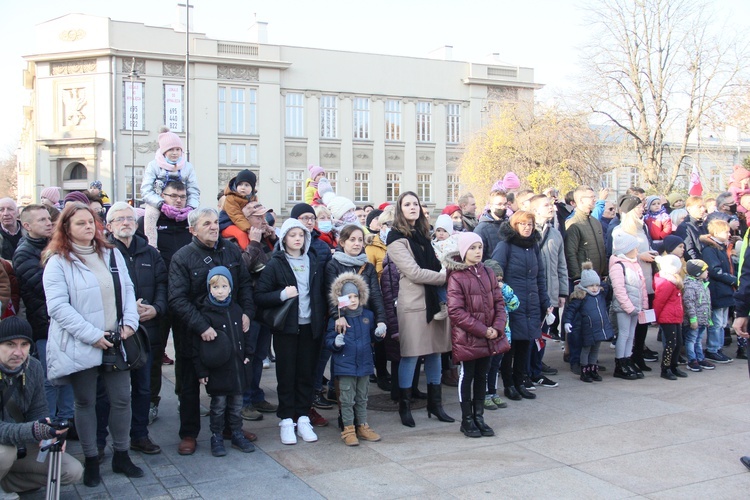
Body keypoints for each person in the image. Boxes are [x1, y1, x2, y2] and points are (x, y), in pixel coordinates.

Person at [43, 202, 142, 486]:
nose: (88, 227)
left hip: (116, 340)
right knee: (85, 401)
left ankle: (121, 454)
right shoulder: (57, 261)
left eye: (91, 222)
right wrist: (91, 335)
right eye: (80, 223)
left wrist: (129, 324)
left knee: (122, 399)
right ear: (66, 228)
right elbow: (58, 308)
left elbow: (127, 290)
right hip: (83, 342)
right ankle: (91, 460)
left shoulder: (110, 254)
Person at [168, 208, 254, 456]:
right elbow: (177, 298)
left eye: (216, 222)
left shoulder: (230, 249)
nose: (214, 227)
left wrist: (247, 312)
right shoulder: (182, 257)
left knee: (231, 381)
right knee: (189, 385)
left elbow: (245, 285)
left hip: (230, 329)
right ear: (193, 229)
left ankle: (231, 429)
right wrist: (201, 326)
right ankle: (189, 433)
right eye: (207, 223)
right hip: (193, 332)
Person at [100, 202, 167, 456]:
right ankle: (102, 439)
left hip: (145, 330)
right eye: (119, 219)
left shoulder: (150, 253)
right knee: (109, 390)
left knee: (143, 386)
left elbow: (163, 283)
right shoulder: (101, 252)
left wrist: (156, 308)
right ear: (109, 226)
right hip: (115, 330)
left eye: (130, 218)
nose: (126, 223)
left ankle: (139, 434)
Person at [254, 219, 325, 445]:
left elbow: (321, 291)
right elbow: (260, 296)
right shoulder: (276, 263)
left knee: (306, 373)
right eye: (292, 234)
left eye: (301, 235)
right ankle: (286, 419)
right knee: (286, 375)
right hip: (286, 328)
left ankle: (303, 417)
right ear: (283, 238)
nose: (297, 238)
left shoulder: (313, 260)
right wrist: (282, 295)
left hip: (309, 327)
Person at [386, 191, 454, 427]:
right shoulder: (395, 239)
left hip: (434, 302)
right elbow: (413, 273)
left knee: (435, 351)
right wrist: (443, 277)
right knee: (411, 355)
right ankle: (404, 407)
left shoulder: (424, 236)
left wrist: (444, 270)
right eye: (407, 204)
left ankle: (436, 405)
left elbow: (437, 263)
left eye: (415, 203)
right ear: (400, 209)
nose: (413, 207)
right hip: (414, 304)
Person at [0, 317, 82, 496]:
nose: (18, 352)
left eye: (24, 345)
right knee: (4, 453)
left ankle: (5, 484)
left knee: (72, 470)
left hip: (20, 443)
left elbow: (38, 409)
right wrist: (34, 430)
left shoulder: (33, 366)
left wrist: (49, 433)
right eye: (10, 344)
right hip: (5, 445)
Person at [13, 205, 75, 429]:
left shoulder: (55, 246)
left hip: (64, 323)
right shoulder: (24, 253)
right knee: (51, 379)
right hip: (45, 326)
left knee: (69, 375)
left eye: (49, 219)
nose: (49, 222)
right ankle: (48, 425)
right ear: (27, 226)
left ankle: (68, 420)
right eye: (42, 220)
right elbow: (46, 287)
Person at [136, 180, 192, 423]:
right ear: (162, 196)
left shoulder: (191, 221)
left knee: (186, 352)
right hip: (158, 297)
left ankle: (185, 399)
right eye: (173, 195)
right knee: (155, 353)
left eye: (182, 196)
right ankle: (150, 402)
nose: (178, 200)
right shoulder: (150, 222)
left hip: (185, 298)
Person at [445, 233, 506, 438]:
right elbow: (455, 312)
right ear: (463, 251)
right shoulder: (456, 276)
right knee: (467, 375)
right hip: (469, 338)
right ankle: (467, 419)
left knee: (483, 375)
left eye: (479, 247)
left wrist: (497, 328)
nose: (477, 251)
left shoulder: (488, 273)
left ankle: (479, 416)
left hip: (489, 336)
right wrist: (483, 329)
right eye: (472, 248)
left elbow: (499, 302)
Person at [491, 211, 551, 401]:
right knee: (511, 346)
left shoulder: (533, 246)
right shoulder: (505, 246)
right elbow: (495, 276)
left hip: (531, 303)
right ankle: (509, 384)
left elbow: (539, 276)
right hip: (511, 304)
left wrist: (545, 301)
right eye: (523, 224)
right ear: (515, 225)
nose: (527, 228)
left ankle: (520, 381)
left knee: (525, 345)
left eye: (530, 224)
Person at [196, 267, 255, 457]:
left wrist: (248, 353)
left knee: (237, 405)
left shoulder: (236, 309)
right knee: (218, 405)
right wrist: (202, 371)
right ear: (209, 289)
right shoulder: (206, 314)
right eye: (216, 287)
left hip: (237, 367)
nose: (220, 291)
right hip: (218, 370)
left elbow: (246, 335)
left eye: (224, 286)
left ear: (231, 288)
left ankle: (237, 433)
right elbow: (198, 347)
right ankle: (216, 436)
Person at [325, 272, 384, 446]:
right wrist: (335, 342)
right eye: (348, 297)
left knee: (362, 397)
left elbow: (373, 337)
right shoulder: (337, 319)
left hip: (364, 364)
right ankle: (348, 428)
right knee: (346, 398)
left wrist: (379, 334)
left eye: (355, 296)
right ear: (341, 299)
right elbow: (328, 340)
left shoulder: (368, 315)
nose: (353, 300)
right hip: (345, 365)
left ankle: (362, 425)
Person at [325, 225, 388, 390]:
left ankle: (359, 393)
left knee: (363, 353)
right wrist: (337, 316)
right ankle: (336, 391)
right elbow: (331, 294)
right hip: (344, 319)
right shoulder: (334, 265)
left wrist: (381, 320)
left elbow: (375, 295)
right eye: (352, 239)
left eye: (360, 240)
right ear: (343, 242)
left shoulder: (367, 267)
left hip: (362, 319)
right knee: (341, 355)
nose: (357, 243)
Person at [290, 203, 333, 424]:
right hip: (292, 315)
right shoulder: (285, 248)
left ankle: (310, 401)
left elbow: (327, 280)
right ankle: (290, 413)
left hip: (317, 311)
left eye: (311, 218)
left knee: (314, 359)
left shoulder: (321, 246)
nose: (309, 222)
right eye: (304, 218)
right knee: (293, 366)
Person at [611, 195, 658, 376]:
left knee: (642, 324)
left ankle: (636, 355)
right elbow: (619, 254)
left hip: (644, 281)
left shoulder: (642, 227)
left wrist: (650, 254)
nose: (642, 209)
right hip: (630, 282)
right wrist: (640, 256)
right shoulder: (620, 230)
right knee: (628, 329)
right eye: (639, 206)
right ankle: (625, 360)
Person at [529, 194, 567, 385]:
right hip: (532, 293)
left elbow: (562, 265)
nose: (551, 208)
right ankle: (526, 373)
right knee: (529, 336)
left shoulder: (555, 234)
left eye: (551, 205)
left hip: (550, 293)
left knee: (543, 335)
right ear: (535, 209)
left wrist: (562, 292)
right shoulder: (527, 231)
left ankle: (537, 371)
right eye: (546, 205)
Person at [141, 126, 200, 247]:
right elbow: (146, 190)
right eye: (171, 149)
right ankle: (152, 246)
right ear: (164, 152)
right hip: (158, 201)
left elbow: (193, 189)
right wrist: (160, 204)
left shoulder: (187, 167)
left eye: (178, 149)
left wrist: (190, 206)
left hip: (182, 201)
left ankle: (197, 245)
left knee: (198, 218)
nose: (175, 153)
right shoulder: (154, 165)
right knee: (150, 216)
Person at [563, 263, 614, 382]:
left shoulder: (600, 294)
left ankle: (593, 369)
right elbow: (570, 311)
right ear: (585, 285)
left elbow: (607, 290)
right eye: (591, 285)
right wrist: (567, 322)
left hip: (598, 328)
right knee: (586, 350)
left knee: (595, 350)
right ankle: (584, 370)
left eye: (597, 285)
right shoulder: (580, 296)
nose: (595, 288)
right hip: (587, 329)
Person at [609, 232, 649, 380]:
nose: (637, 251)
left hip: (635, 306)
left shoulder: (634, 264)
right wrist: (629, 307)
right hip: (624, 307)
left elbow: (642, 286)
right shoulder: (618, 266)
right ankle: (620, 362)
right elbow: (619, 290)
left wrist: (643, 305)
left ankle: (627, 359)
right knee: (624, 334)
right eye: (634, 248)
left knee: (631, 335)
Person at [481, 260, 518, 410]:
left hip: (503, 336)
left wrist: (506, 292)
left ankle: (492, 392)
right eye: (495, 279)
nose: (498, 282)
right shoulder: (484, 292)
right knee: (486, 366)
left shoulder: (504, 290)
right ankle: (483, 394)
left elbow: (515, 305)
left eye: (500, 279)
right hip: (489, 336)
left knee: (496, 366)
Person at [701, 219, 736, 364]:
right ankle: (712, 349)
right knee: (716, 323)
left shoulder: (722, 248)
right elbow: (715, 271)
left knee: (722, 323)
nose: (729, 234)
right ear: (716, 233)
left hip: (725, 290)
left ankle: (718, 348)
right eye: (726, 231)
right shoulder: (710, 249)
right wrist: (732, 279)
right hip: (717, 290)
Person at [653, 255, 688, 380]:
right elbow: (659, 301)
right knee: (671, 343)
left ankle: (673, 365)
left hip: (674, 316)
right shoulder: (666, 283)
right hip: (667, 317)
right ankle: (665, 367)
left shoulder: (672, 280)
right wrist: (656, 317)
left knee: (678, 343)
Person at [682, 259, 714, 372]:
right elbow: (689, 303)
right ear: (697, 273)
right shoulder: (690, 285)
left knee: (699, 339)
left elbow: (707, 303)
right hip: (694, 320)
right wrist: (693, 319)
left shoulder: (702, 284)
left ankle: (700, 358)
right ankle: (692, 360)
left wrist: (708, 319)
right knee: (691, 339)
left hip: (703, 319)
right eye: (705, 270)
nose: (707, 272)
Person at [219, 169, 258, 250]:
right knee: (241, 234)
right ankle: (249, 253)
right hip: (227, 224)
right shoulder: (231, 198)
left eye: (247, 185)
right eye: (240, 184)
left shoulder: (253, 198)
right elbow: (236, 215)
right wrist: (248, 228)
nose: (243, 188)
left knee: (260, 233)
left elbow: (256, 213)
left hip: (242, 224)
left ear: (252, 187)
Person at [431, 214, 458, 321]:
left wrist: (442, 274)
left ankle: (445, 306)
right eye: (438, 230)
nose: (441, 233)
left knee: (443, 288)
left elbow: (447, 260)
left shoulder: (450, 243)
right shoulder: (434, 243)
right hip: (439, 271)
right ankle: (443, 305)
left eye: (444, 231)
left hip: (447, 271)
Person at [473, 189, 509, 261]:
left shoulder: (510, 225)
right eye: (499, 204)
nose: (503, 207)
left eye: (505, 204)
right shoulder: (481, 229)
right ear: (490, 206)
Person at [674, 196, 706, 261]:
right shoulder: (684, 227)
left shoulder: (704, 224)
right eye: (699, 207)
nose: (703, 209)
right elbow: (688, 251)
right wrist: (700, 267)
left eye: (703, 206)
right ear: (689, 208)